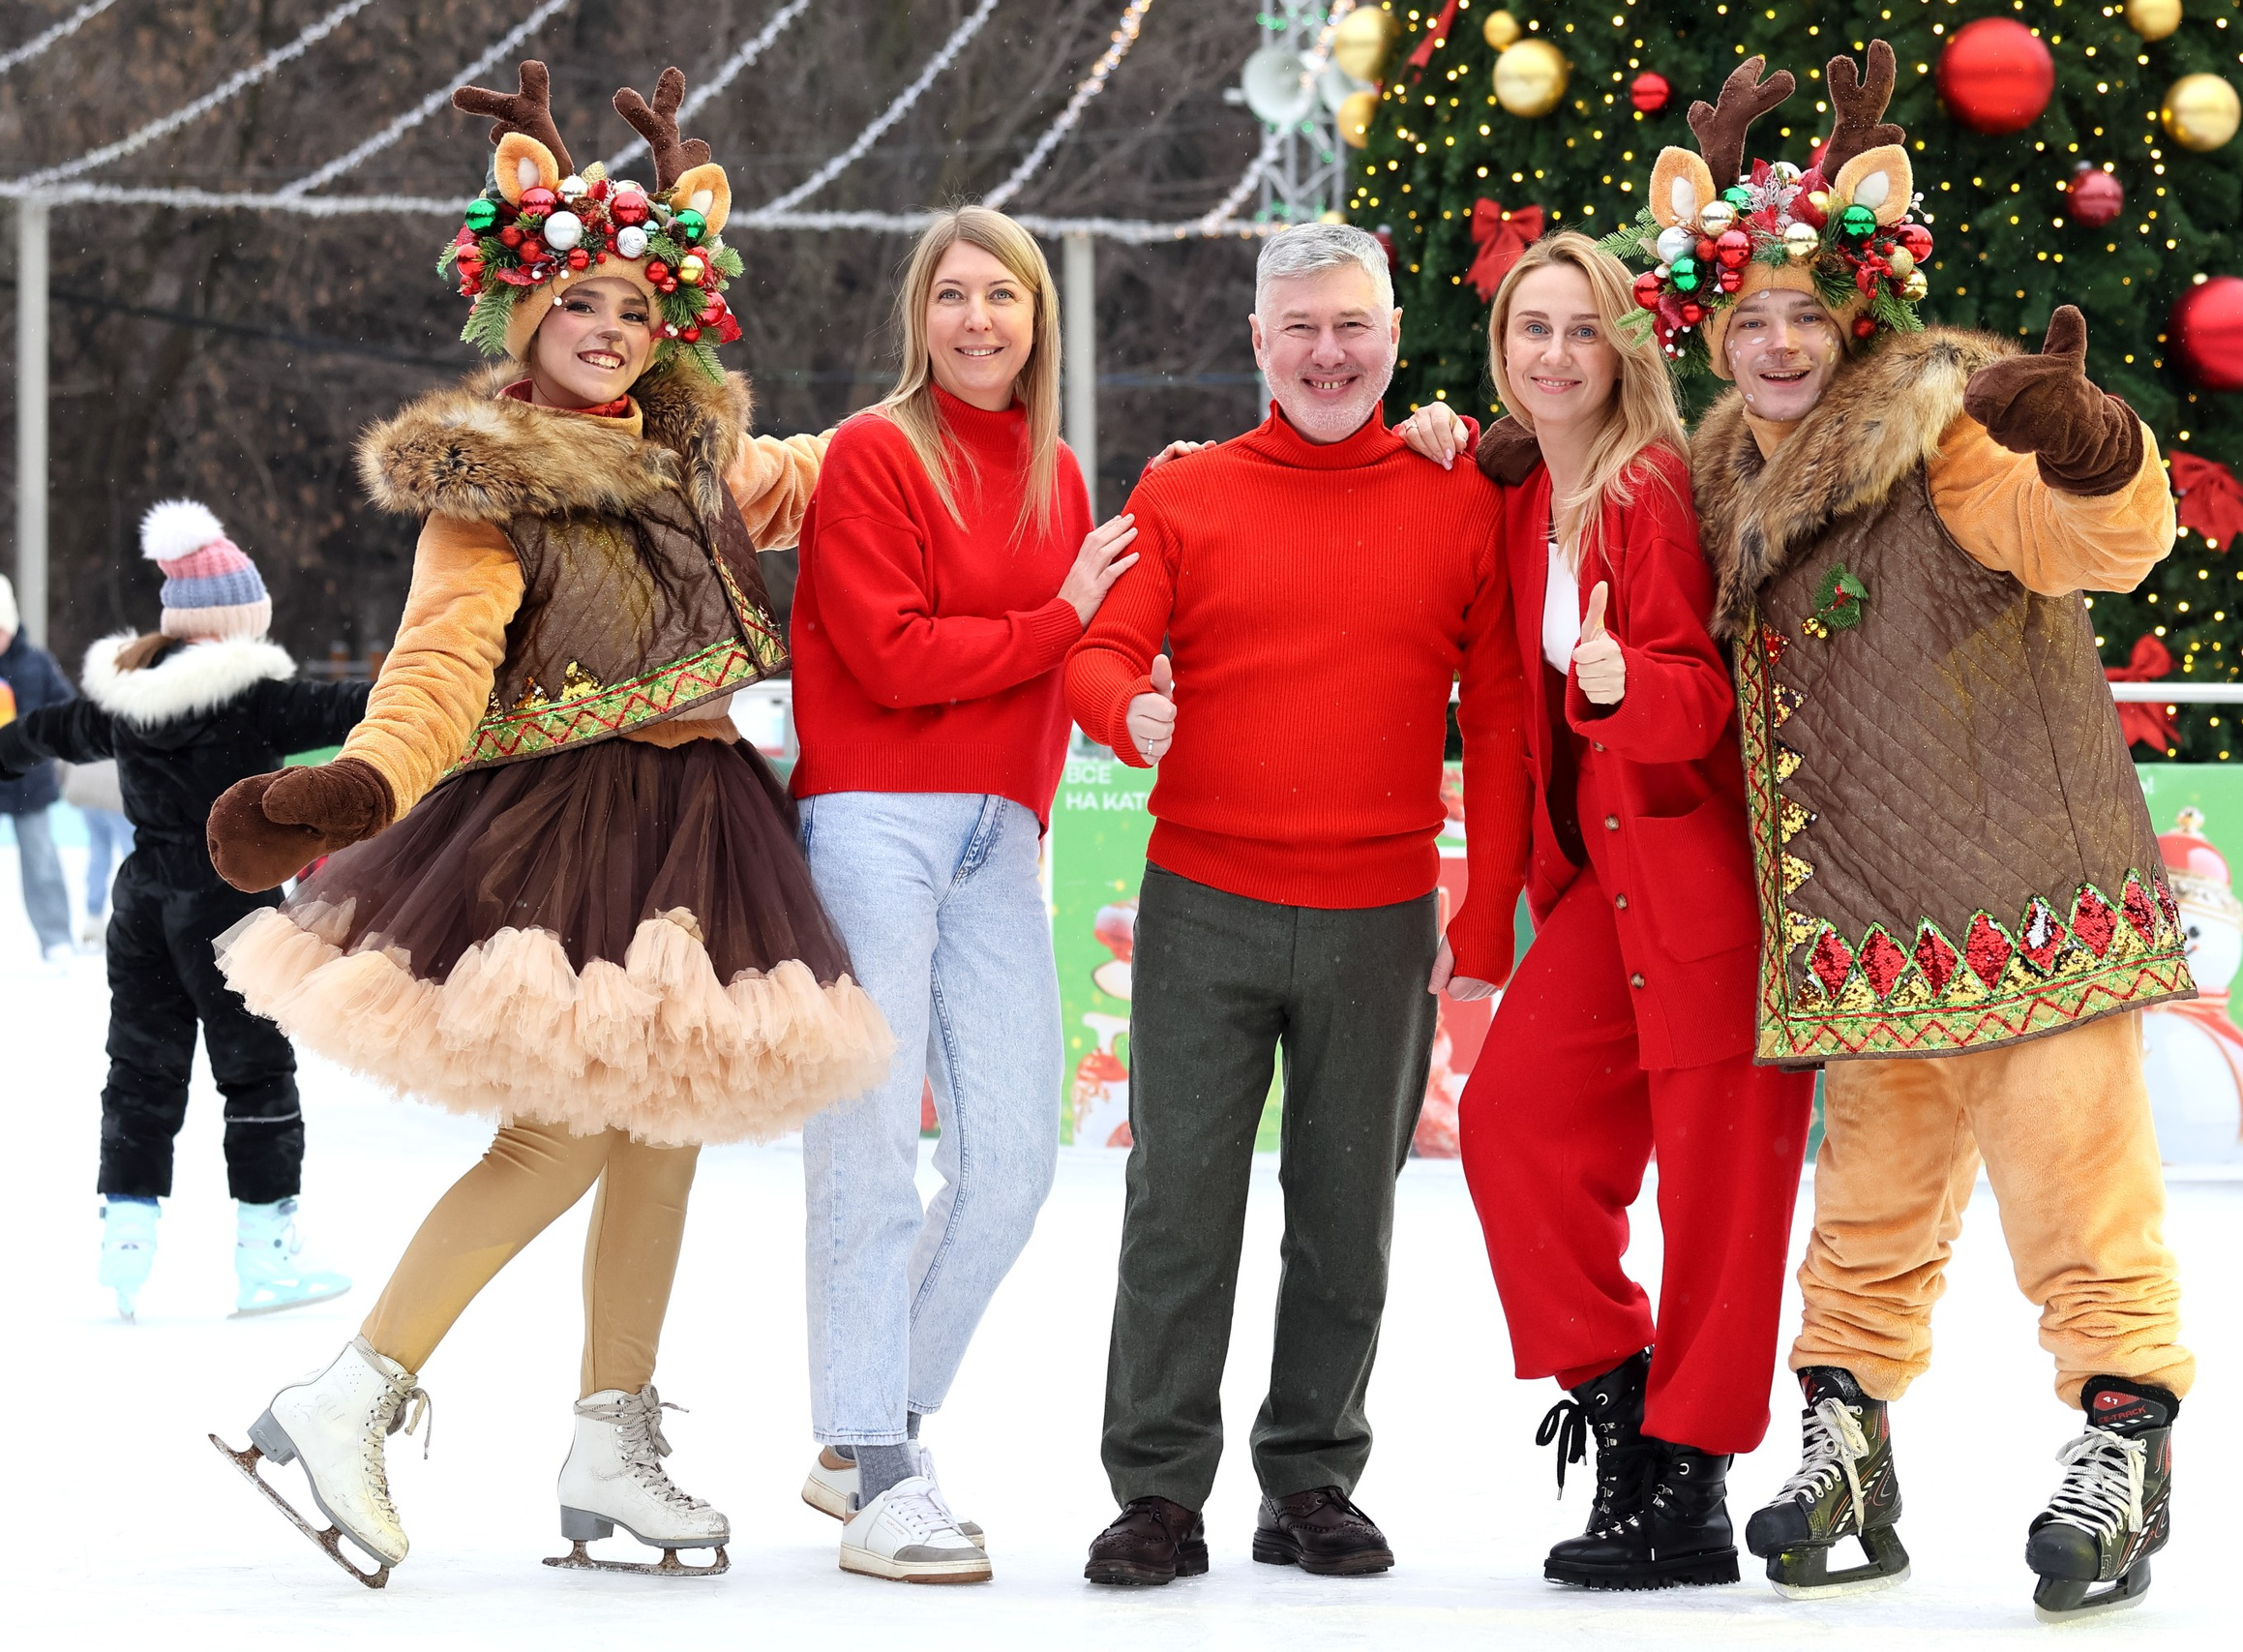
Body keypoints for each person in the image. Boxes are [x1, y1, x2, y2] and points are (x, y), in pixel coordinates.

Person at [199, 64, 891, 1582]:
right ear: (525, 316)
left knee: (665, 1126)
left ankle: (610, 1434)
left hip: (703, 814)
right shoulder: (492, 482)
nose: (612, 332)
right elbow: (442, 658)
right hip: (564, 826)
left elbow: (845, 475)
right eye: (582, 304)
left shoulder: (706, 450)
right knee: (562, 1129)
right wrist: (361, 784)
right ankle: (348, 1392)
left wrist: (969, 419)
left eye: (639, 311)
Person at [1620, 47, 2191, 1623]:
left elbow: (2099, 539)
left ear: (1857, 312)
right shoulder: (1722, 476)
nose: (1783, 340)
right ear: (1716, 333)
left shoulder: (1949, 437)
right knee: (1866, 1218)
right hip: (1874, 935)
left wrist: (2086, 442)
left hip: (2027, 905)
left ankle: (2123, 1440)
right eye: (1752, 320)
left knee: (2081, 1204)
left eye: (1808, 312)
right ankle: (1847, 1445)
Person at [1064, 222, 1526, 1586]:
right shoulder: (1188, 494)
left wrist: (1485, 908)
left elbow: (1498, 719)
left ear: (1393, 333)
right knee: (1179, 1205)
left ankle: (1312, 1471)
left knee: (1347, 1211)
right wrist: (1121, 704)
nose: (1329, 353)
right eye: (1301, 329)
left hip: (1379, 913)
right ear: (1258, 344)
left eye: (1353, 325)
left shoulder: (1460, 498)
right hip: (1204, 900)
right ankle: (1156, 1487)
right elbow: (1098, 646)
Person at [1393, 231, 1815, 1592]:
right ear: (1504, 346)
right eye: (1532, 329)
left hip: (1707, 884)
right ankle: (1623, 1392)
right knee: (1514, 1119)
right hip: (1595, 887)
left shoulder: (1648, 489)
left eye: (1583, 330)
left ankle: (1689, 1477)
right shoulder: (1521, 488)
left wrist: (1630, 676)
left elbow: (1697, 696)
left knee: (1719, 1193)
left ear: (1626, 344)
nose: (1555, 354)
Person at [790, 205, 1138, 1585]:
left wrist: (1112, 673)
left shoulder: (1057, 470)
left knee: (1011, 1164)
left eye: (1004, 295)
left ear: (1038, 316)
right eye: (954, 297)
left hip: (1004, 829)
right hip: (874, 815)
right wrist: (1058, 618)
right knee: (867, 1145)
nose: (980, 319)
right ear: (919, 318)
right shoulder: (876, 453)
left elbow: (1073, 653)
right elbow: (889, 655)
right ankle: (881, 1462)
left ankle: (861, 1428)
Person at [0, 501, 366, 1320]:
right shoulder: (257, 697)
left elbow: (48, 731)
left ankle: (124, 1242)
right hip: (232, 911)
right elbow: (355, 705)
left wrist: (8, 749)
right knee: (257, 1070)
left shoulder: (126, 699)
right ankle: (266, 1252)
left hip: (142, 905)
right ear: (239, 624)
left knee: (140, 1068)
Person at [0, 573, 76, 964]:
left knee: (41, 860)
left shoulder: (36, 663)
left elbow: (67, 710)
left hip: (30, 782)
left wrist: (43, 741)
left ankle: (56, 937)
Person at [65, 758, 134, 948]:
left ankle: (93, 918)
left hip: (87, 784)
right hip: (117, 789)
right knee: (132, 854)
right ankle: (133, 915)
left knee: (99, 852)